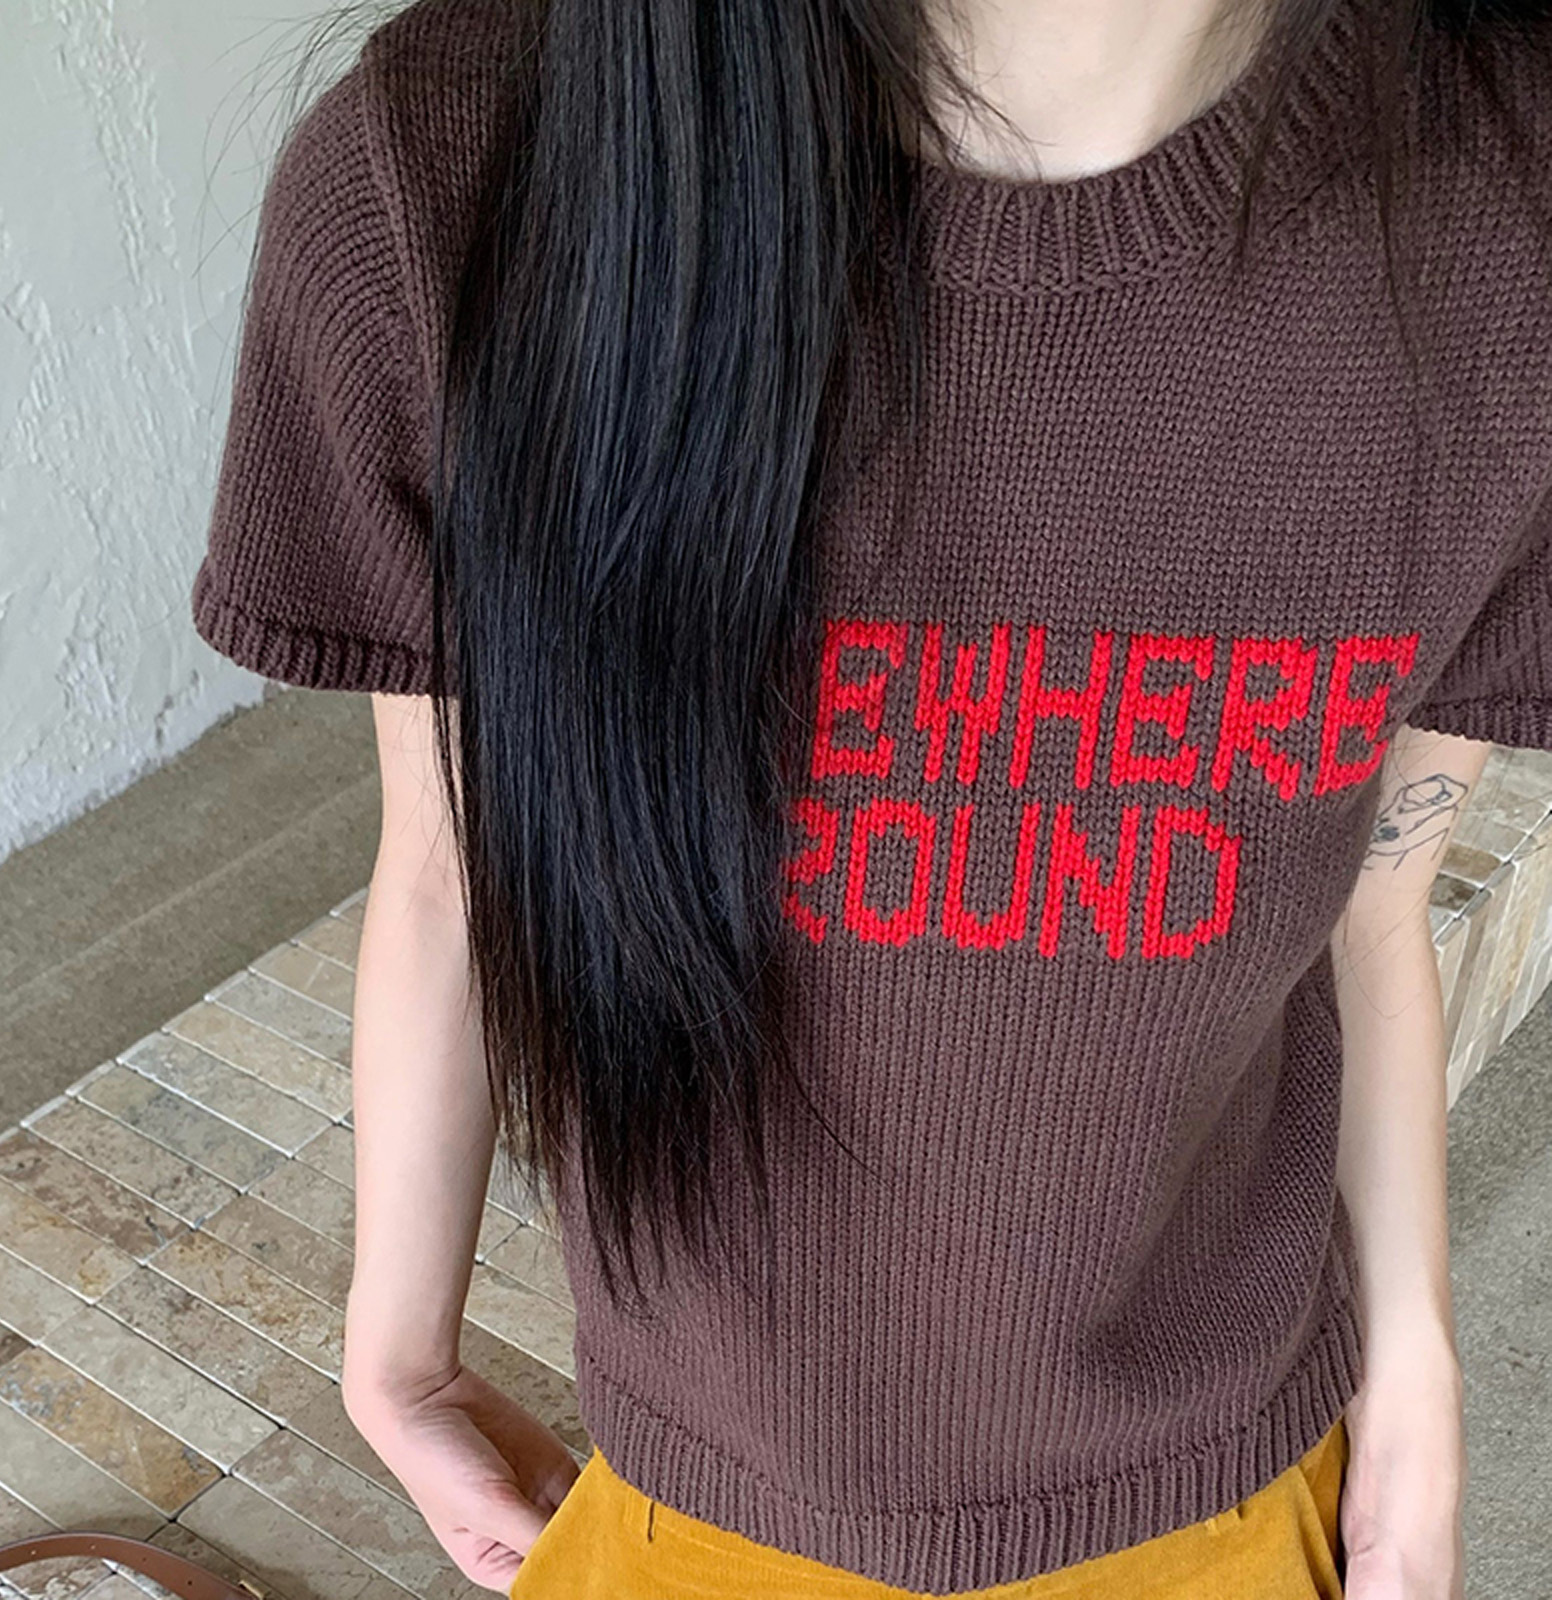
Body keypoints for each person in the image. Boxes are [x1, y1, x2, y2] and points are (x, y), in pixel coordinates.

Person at [189, 0, 1552, 1593]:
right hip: (689, 1490)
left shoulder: (1511, 218)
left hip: (1223, 1484)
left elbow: (1373, 905)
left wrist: (1416, 1371)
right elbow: (453, 859)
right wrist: (396, 1342)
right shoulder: (449, 179)